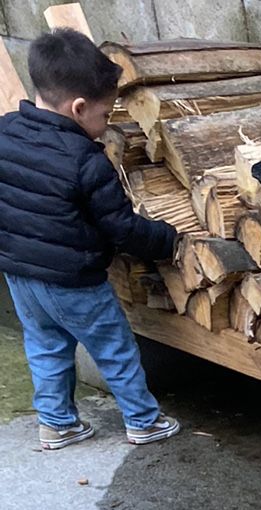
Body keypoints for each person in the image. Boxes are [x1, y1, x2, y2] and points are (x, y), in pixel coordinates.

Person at [0, 28, 181, 450]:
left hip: (18, 273)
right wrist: (166, 240)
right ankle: (143, 420)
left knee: (45, 344)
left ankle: (57, 423)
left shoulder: (5, 132)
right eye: (105, 114)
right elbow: (121, 227)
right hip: (74, 279)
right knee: (114, 347)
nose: (107, 124)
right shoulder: (86, 161)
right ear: (79, 109)